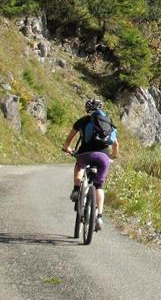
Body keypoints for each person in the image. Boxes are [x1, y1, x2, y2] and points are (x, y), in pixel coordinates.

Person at [62, 99, 120, 231]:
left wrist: (68, 149)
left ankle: (77, 189)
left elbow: (68, 141)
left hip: (85, 154)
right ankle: (99, 216)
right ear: (101, 108)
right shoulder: (107, 121)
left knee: (79, 166)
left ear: (87, 109)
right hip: (103, 157)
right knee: (99, 186)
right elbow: (116, 144)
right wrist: (113, 156)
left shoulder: (82, 121)